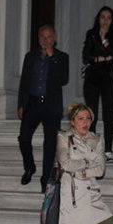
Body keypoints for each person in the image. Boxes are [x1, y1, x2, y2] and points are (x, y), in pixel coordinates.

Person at [18, 24, 69, 193]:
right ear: (39, 38)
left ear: (55, 38)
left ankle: (46, 179)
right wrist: (21, 104)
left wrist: (52, 57)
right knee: (24, 138)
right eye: (42, 36)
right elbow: (24, 81)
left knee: (50, 144)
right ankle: (29, 167)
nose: (45, 40)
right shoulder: (30, 56)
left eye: (49, 37)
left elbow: (63, 79)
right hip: (32, 103)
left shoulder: (62, 57)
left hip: (51, 104)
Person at [81, 6, 113, 163]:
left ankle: (108, 151)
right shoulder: (91, 34)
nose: (105, 20)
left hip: (108, 78)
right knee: (91, 115)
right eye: (102, 17)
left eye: (108, 17)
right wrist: (104, 58)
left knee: (108, 114)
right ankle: (91, 150)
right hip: (92, 78)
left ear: (112, 20)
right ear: (98, 19)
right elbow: (86, 56)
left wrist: (105, 41)